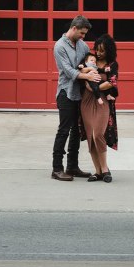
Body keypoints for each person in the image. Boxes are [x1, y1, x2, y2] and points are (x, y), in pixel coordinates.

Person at [52, 15, 92, 180]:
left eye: (85, 34)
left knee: (76, 132)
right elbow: (68, 71)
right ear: (74, 28)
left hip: (80, 95)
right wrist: (87, 76)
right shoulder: (59, 46)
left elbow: (90, 63)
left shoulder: (83, 46)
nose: (83, 37)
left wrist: (89, 69)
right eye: (82, 33)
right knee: (64, 131)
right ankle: (57, 169)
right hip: (65, 93)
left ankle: (72, 167)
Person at [78, 33, 119, 183]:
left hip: (103, 101)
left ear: (109, 50)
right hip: (87, 102)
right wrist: (87, 79)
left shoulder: (112, 65)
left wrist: (94, 88)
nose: (99, 53)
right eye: (98, 50)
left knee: (98, 134)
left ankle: (105, 169)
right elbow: (79, 74)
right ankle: (97, 171)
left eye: (102, 50)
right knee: (90, 136)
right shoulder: (90, 60)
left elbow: (111, 82)